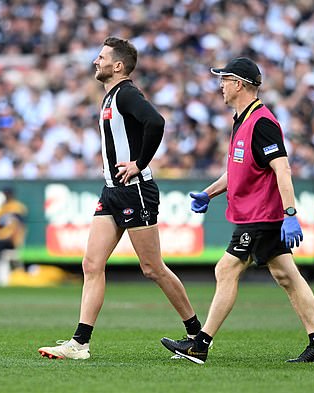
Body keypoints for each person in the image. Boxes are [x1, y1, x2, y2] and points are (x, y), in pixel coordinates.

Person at [160, 57, 314, 364]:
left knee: (225, 270)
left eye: (224, 80)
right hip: (255, 214)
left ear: (239, 84)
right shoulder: (242, 119)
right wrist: (209, 193)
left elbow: (283, 169)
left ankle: (200, 345)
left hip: (261, 216)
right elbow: (238, 170)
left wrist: (291, 214)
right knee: (286, 276)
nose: (220, 86)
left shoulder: (262, 122)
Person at [37, 36, 201, 360]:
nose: (95, 61)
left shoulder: (126, 94)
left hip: (134, 190)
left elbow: (156, 121)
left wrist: (140, 163)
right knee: (91, 263)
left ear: (118, 65)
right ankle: (79, 344)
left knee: (152, 268)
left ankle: (197, 335)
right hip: (112, 191)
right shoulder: (110, 97)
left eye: (101, 57)